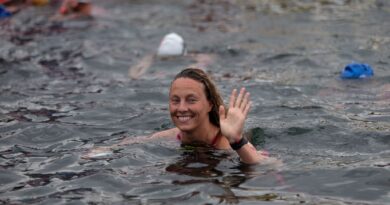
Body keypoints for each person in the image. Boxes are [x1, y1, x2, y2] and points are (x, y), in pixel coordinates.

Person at [86, 67, 269, 165]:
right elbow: (132, 143)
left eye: (191, 100)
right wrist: (98, 153)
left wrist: (237, 141)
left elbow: (269, 166)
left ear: (209, 104)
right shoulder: (172, 136)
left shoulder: (226, 142)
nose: (181, 108)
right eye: (175, 100)